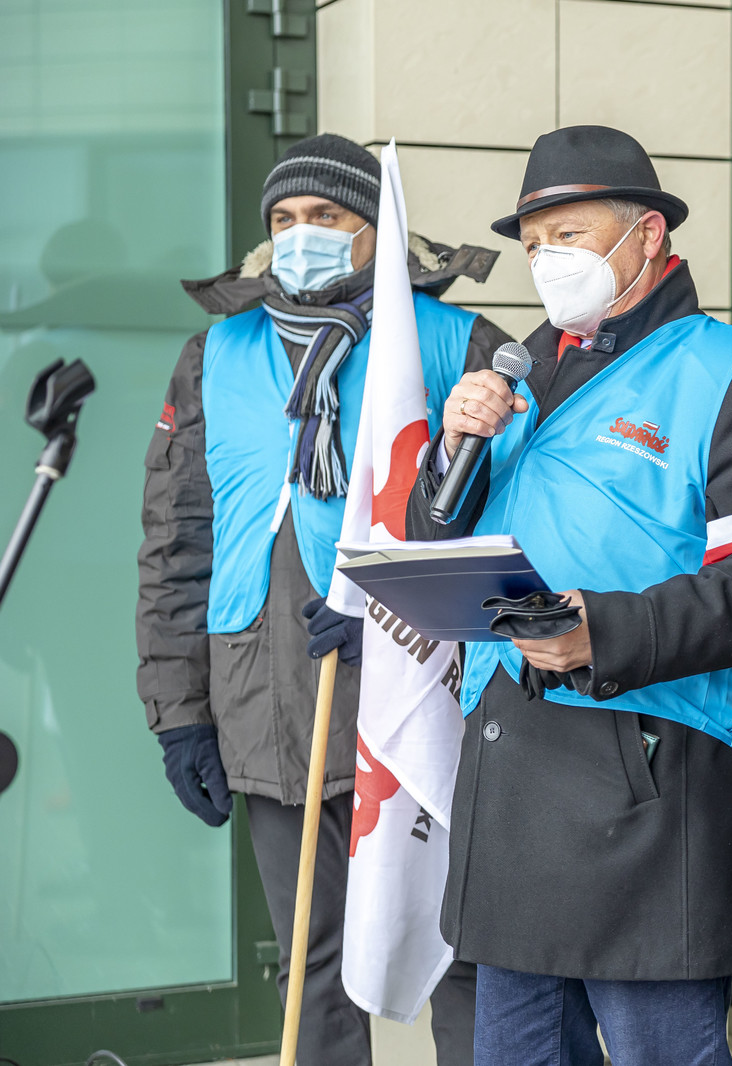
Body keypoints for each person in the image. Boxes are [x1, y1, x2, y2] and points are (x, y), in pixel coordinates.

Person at [405, 125, 732, 1066]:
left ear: (648, 234)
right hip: (510, 763)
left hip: (649, 769)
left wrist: (608, 631)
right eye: (535, 242)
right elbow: (440, 544)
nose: (549, 259)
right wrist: (453, 452)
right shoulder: (518, 371)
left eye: (571, 234)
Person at [136, 133, 510, 1065]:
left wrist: (402, 614)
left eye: (327, 216)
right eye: (285, 218)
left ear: (374, 228)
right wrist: (179, 713)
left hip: (427, 693)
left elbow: (512, 524)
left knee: (465, 952)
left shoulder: (452, 342)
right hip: (269, 700)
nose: (301, 234)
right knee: (313, 958)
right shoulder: (217, 355)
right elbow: (177, 543)